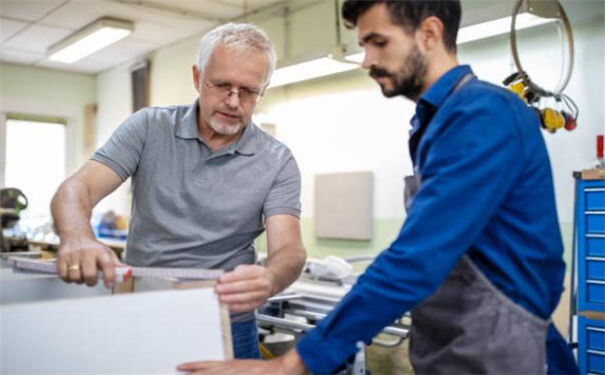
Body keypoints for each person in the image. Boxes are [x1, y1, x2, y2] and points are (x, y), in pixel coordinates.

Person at [177, 1, 578, 374]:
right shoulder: (437, 120)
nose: (367, 60)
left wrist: (291, 364)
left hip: (505, 352)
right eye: (363, 45)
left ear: (429, 33)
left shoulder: (480, 114)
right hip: (462, 346)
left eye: (378, 43)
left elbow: (416, 258)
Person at [50, 23, 306, 360]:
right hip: (141, 310)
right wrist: (77, 237)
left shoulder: (277, 160)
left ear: (263, 89)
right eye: (221, 85)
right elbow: (77, 188)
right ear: (198, 77)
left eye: (248, 91)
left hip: (227, 321)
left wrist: (270, 279)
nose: (233, 102)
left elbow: (289, 249)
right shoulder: (148, 128)